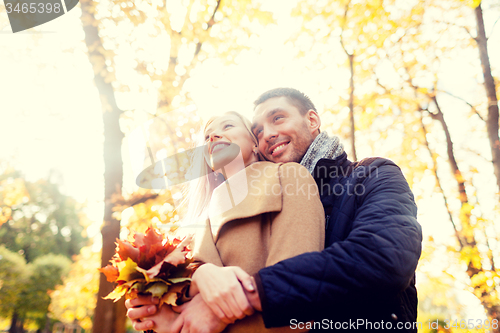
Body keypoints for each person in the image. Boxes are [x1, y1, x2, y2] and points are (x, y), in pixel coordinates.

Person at [127, 88, 422, 332]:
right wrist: (169, 297)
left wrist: (235, 298)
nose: (267, 134)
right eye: (258, 130)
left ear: (312, 120)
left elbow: (382, 259)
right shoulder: (209, 210)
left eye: (278, 118)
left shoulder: (371, 174)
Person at [127, 110, 325, 332]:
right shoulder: (198, 220)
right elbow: (169, 307)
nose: (213, 137)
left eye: (228, 126)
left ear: (255, 144)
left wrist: (217, 307)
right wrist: (152, 310)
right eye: (207, 137)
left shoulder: (288, 176)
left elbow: (296, 291)